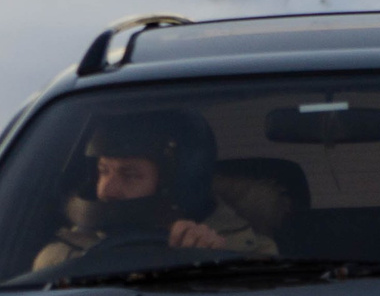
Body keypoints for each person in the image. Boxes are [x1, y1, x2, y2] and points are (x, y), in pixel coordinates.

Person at [32, 112, 273, 272]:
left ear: (179, 182)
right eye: (103, 171)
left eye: (130, 175)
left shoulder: (249, 252)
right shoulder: (63, 259)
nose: (107, 190)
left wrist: (214, 266)